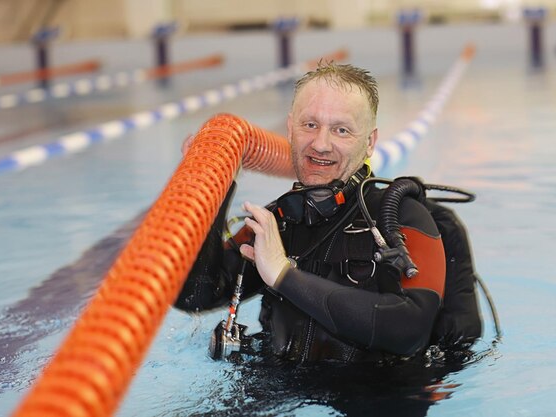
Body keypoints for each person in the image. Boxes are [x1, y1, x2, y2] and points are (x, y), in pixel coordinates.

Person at [174, 62, 482, 363]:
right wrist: (209, 193)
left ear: (370, 142)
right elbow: (196, 296)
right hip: (282, 383)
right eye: (310, 125)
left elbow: (410, 330)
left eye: (341, 130)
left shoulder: (403, 218)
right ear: (290, 129)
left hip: (378, 395)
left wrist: (283, 275)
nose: (321, 144)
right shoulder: (280, 221)